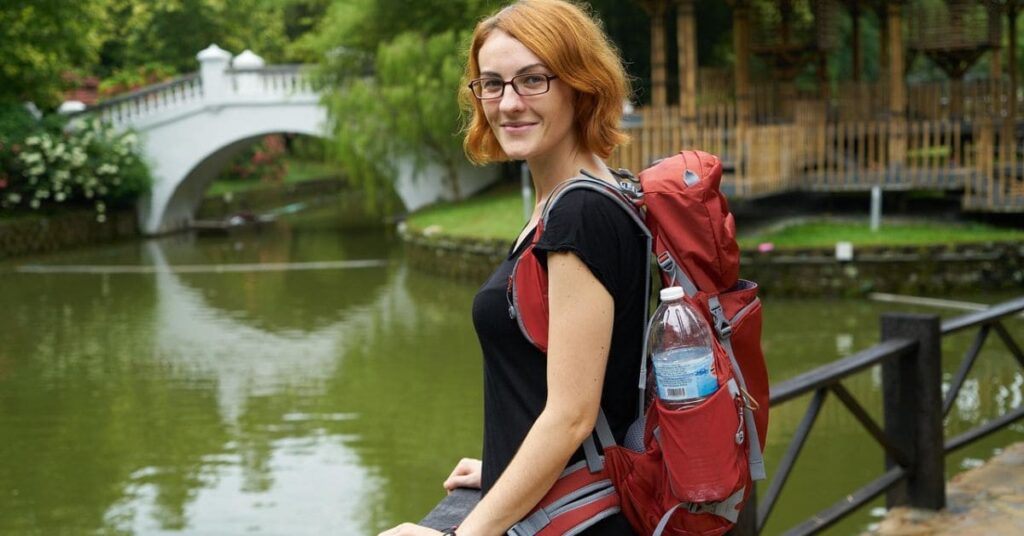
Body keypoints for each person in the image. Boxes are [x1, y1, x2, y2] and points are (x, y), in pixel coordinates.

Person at [379, 1, 645, 534]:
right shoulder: (590, 193)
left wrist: (468, 532)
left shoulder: (579, 213)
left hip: (575, 519)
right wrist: (501, 471)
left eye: (533, 80)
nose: (509, 103)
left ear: (580, 84)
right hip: (565, 497)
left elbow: (572, 416)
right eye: (492, 84)